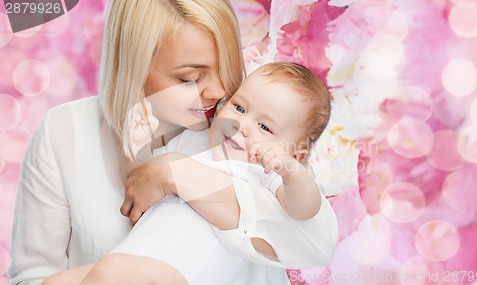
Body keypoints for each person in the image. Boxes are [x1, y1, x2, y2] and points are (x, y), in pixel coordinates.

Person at [8, 0, 336, 284]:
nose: (220, 92)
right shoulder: (64, 131)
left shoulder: (267, 149)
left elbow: (314, 240)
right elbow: (139, 181)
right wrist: (140, 149)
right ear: (133, 66)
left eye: (226, 68)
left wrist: (177, 173)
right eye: (190, 79)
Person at [42, 62, 339, 285]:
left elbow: (304, 210)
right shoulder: (191, 145)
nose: (242, 125)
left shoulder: (265, 174)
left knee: (112, 271)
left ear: (296, 153)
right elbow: (143, 181)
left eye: (265, 127)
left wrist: (291, 172)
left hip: (181, 269)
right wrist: (139, 145)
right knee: (58, 282)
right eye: (238, 107)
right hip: (141, 253)